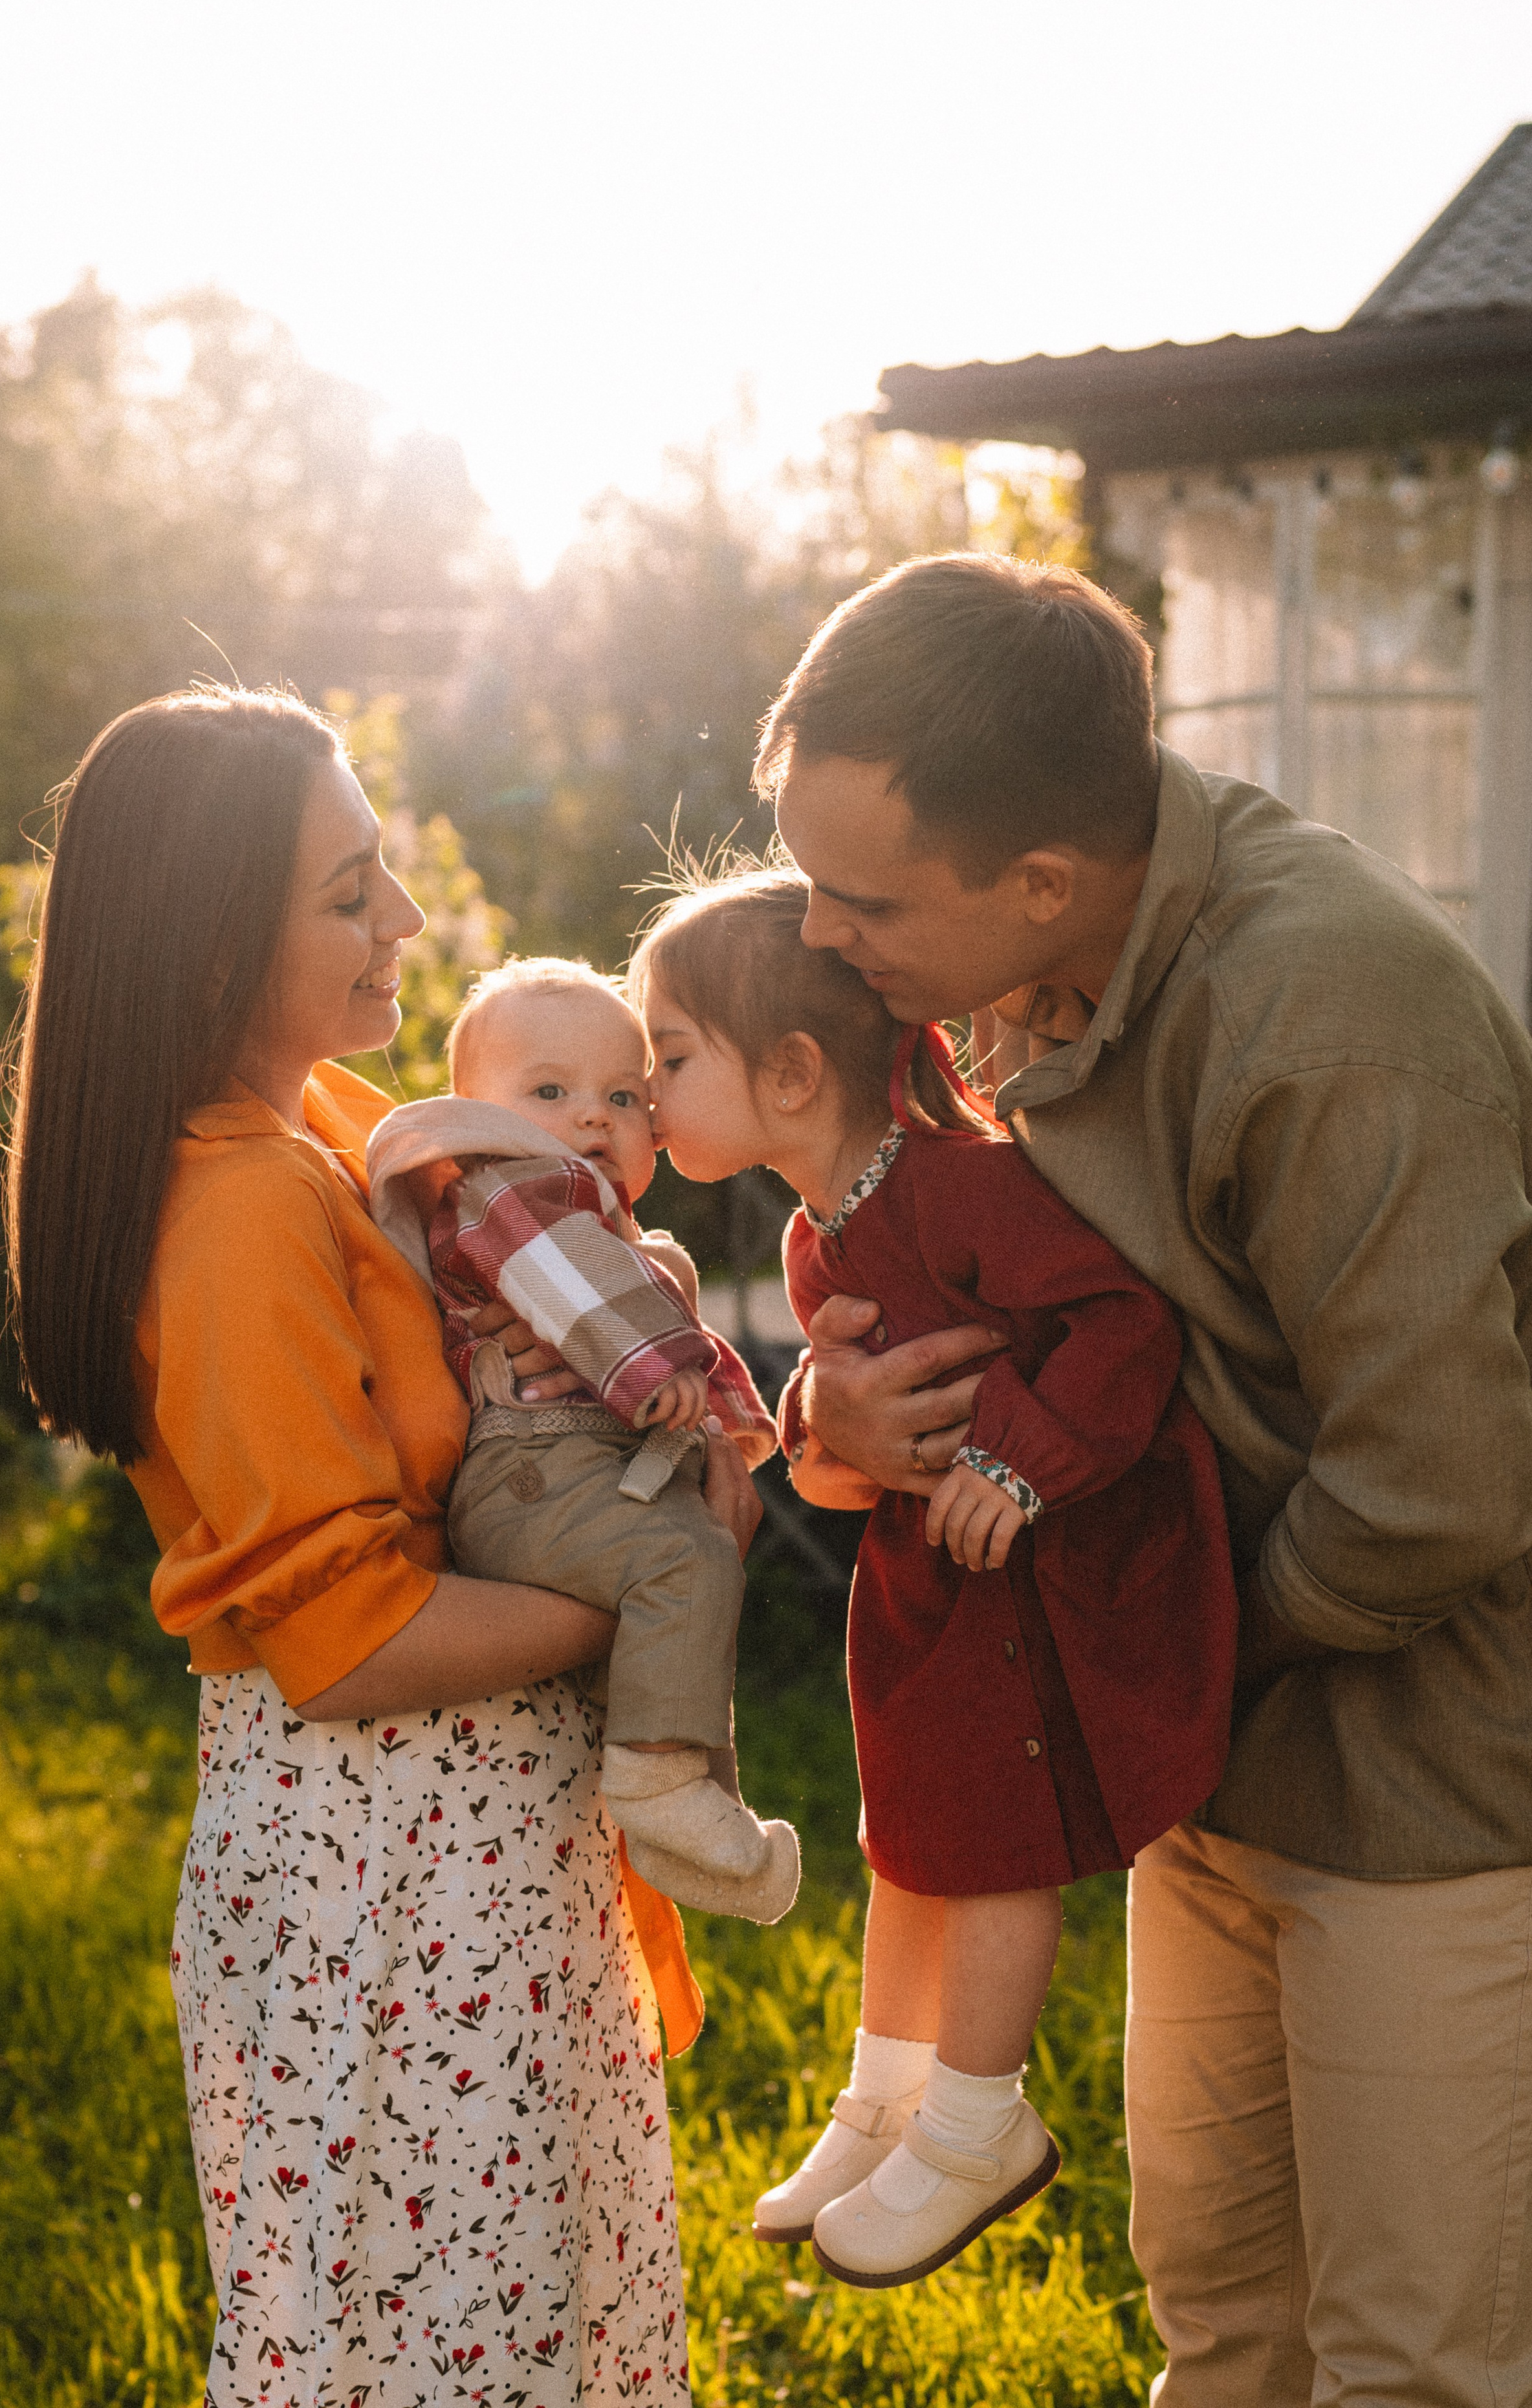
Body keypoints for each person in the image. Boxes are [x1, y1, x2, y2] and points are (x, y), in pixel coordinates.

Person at [756, 552, 1532, 2405]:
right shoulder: (991, 983)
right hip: (1201, 1775)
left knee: (1410, 2361)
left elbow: (1432, 1488)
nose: (816, 937)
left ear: (1039, 882)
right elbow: (948, 1303)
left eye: (862, 899)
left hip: (1419, 1795)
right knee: (1222, 2326)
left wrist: (1151, 1660)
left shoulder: (1326, 1013)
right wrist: (832, 1423)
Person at [4, 687, 760, 2407]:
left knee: (526, 2320)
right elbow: (345, 1644)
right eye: (349, 895)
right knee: (439, 2349)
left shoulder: (330, 1127)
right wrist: (648, 1584)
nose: (405, 926)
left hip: (466, 1846)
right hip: (390, 1876)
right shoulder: (243, 1207)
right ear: (211, 944)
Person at [626, 870, 1236, 2289]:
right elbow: (838, 1402)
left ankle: (978, 2120)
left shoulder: (965, 1185)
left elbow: (1120, 1328)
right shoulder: (817, 1224)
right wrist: (820, 1433)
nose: (646, 1092)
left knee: (992, 1840)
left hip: (1027, 1580)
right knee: (909, 1831)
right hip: (932, 1587)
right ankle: (884, 2101)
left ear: (789, 1073)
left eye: (667, 1059)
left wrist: (1014, 1464)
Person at [363, 955, 799, 1923]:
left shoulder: (598, 1220)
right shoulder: (510, 1191)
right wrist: (658, 1370)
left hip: (572, 1472)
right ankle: (664, 1796)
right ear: (477, 1111)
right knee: (683, 1567)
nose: (596, 1116)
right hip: (535, 1469)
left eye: (624, 1095)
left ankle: (690, 1810)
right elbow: (569, 1280)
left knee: (681, 1597)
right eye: (550, 1090)